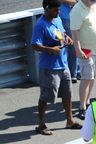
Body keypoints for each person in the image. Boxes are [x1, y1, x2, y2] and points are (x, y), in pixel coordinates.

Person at [31, 0, 81, 136]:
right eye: (55, 10)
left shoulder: (57, 19)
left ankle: (70, 121)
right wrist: (50, 49)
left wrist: (67, 38)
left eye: (58, 10)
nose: (58, 12)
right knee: (46, 96)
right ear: (47, 9)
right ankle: (41, 124)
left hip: (63, 65)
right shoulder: (40, 25)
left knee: (67, 94)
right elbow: (35, 45)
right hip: (49, 68)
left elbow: (62, 32)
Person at [70, 0, 96, 118]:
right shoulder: (77, 9)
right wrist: (78, 50)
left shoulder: (93, 6)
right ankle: (82, 107)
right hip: (86, 51)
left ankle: (87, 102)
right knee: (86, 78)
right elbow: (74, 32)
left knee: (93, 77)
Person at [59, 0, 79, 84]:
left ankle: (75, 72)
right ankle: (71, 73)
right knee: (69, 46)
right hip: (65, 17)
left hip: (74, 16)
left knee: (74, 46)